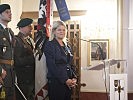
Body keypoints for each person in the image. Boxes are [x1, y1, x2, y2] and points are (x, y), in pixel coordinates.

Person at [44, 20, 77, 100]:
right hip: (56, 82)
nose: (62, 32)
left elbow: (70, 64)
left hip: (68, 82)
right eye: (59, 30)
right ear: (54, 31)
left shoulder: (67, 46)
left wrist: (74, 77)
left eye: (63, 30)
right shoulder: (50, 45)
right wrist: (65, 79)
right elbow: (52, 66)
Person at [14, 18, 35, 100]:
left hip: (31, 77)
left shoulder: (30, 40)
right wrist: (33, 58)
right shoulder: (17, 40)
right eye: (29, 26)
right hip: (23, 79)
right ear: (21, 28)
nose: (31, 28)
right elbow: (17, 61)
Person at [0, 4, 16, 100]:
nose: (10, 14)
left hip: (11, 72)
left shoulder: (10, 32)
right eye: (7, 12)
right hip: (2, 72)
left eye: (10, 12)